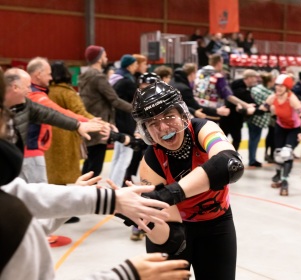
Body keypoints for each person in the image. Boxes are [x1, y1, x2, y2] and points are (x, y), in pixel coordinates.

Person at [0, 69, 191, 280]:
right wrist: (126, 275)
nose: (10, 120)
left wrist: (103, 199)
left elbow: (23, 200)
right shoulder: (10, 221)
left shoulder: (11, 205)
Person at [130, 81, 244, 280]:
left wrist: (169, 193)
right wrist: (145, 217)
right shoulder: (150, 163)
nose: (164, 128)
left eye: (169, 117)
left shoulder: (203, 129)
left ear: (183, 115)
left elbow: (231, 164)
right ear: (146, 130)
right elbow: (170, 237)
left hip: (217, 223)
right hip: (179, 225)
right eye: (153, 123)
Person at [79, 45, 132, 176]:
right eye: (105, 56)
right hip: (100, 125)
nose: (106, 58)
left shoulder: (84, 76)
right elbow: (114, 100)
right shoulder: (98, 77)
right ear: (98, 59)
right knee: (95, 168)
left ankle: (83, 192)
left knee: (89, 164)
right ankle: (90, 195)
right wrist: (135, 109)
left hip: (89, 121)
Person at [45, 61, 95, 185]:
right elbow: (80, 112)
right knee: (65, 175)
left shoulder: (46, 91)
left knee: (52, 174)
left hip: (47, 136)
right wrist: (98, 122)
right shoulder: (67, 92)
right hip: (65, 137)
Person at [260, 74, 301, 196]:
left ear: (287, 88)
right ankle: (278, 173)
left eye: (282, 86)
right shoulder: (272, 97)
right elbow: (261, 110)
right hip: (280, 127)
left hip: (294, 129)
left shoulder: (292, 99)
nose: (279, 88)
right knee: (278, 153)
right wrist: (245, 110)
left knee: (287, 153)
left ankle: (285, 180)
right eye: (277, 85)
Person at [109, 54, 138, 188]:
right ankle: (116, 187)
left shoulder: (116, 78)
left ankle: (112, 183)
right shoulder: (127, 81)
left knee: (117, 156)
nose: (137, 66)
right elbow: (137, 99)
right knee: (124, 158)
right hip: (126, 121)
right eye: (135, 64)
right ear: (130, 65)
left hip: (117, 120)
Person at [247, 72, 275, 167]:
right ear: (270, 81)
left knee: (252, 139)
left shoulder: (255, 89)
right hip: (260, 118)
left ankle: (252, 158)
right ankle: (252, 159)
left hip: (251, 116)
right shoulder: (270, 93)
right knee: (255, 140)